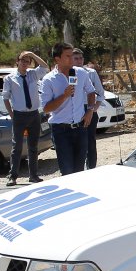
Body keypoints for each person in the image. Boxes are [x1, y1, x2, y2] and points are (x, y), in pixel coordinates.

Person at [39, 42, 97, 175]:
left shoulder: (80, 73)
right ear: (57, 59)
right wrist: (64, 96)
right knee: (67, 171)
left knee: (79, 171)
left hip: (80, 128)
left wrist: (90, 110)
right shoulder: (48, 80)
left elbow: (91, 92)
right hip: (61, 131)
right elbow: (46, 108)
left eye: (72, 55)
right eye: (68, 56)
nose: (72, 59)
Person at [1, 50, 48, 186]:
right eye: (22, 60)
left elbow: (44, 67)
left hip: (33, 114)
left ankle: (33, 175)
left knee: (33, 146)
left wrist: (32, 55)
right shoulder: (10, 78)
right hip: (19, 115)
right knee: (17, 146)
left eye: (27, 61)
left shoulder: (32, 75)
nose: (25, 63)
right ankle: (13, 176)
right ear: (17, 61)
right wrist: (11, 114)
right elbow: (5, 97)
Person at [72, 48, 105, 169]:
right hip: (75, 110)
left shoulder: (90, 72)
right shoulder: (70, 73)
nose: (79, 61)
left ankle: (91, 167)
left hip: (89, 107)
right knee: (77, 142)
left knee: (90, 141)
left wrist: (94, 108)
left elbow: (100, 93)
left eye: (81, 58)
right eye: (76, 58)